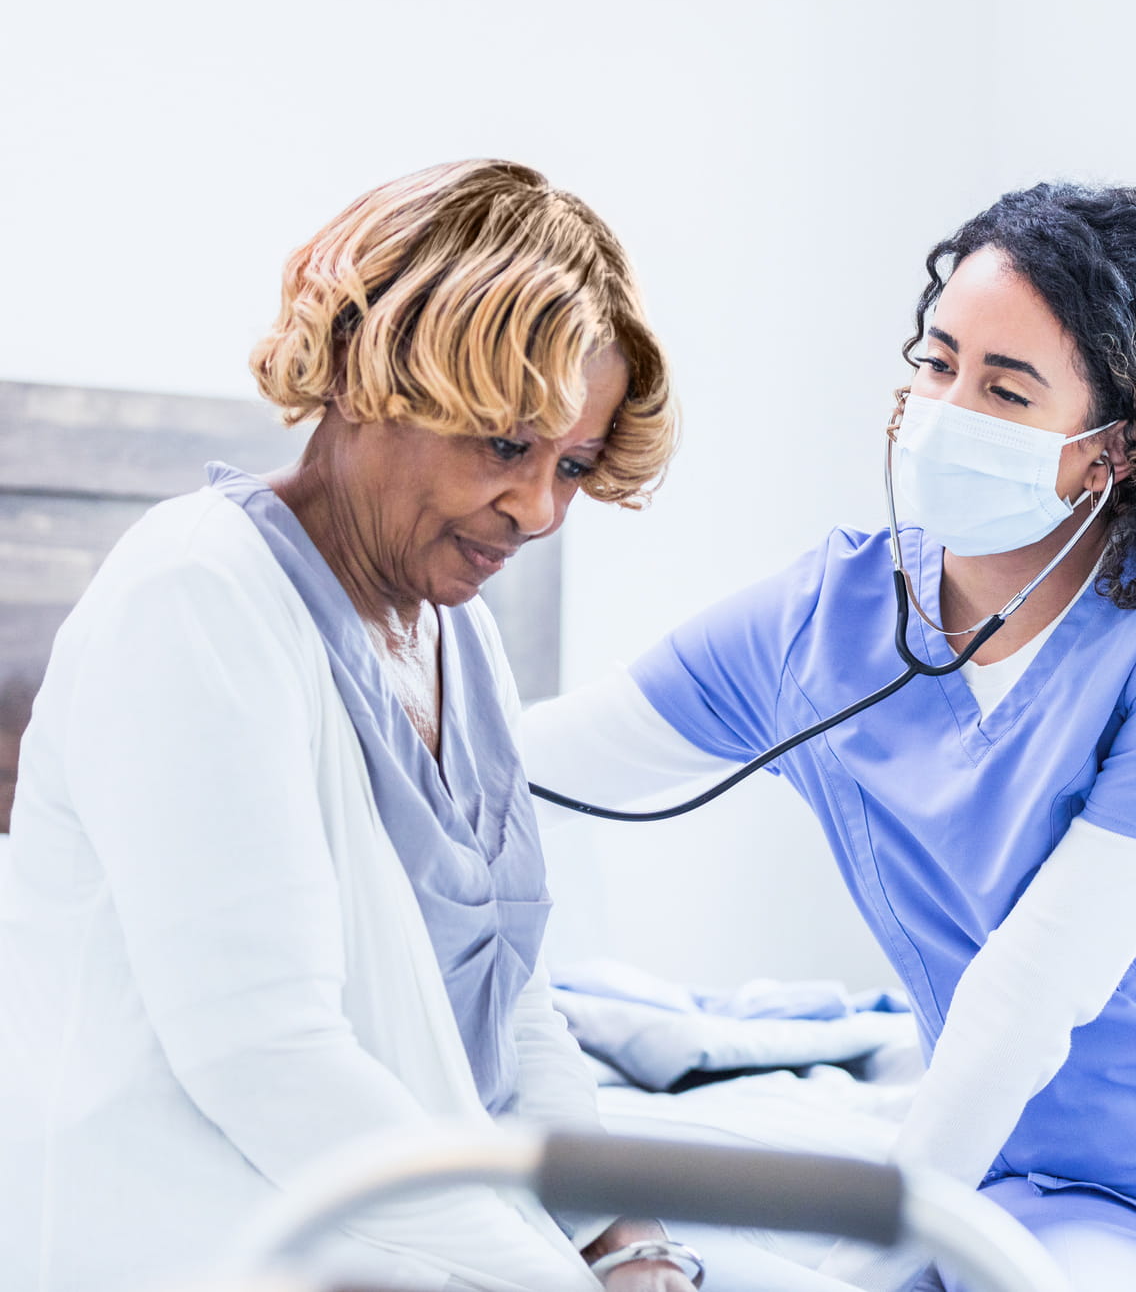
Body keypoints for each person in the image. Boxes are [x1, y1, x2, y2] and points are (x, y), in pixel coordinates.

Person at [521, 183, 1136, 1291]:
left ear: (1114, 448)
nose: (946, 410)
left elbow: (1028, 996)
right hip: (1057, 1184)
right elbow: (515, 764)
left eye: (1005, 388)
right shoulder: (816, 625)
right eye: (937, 364)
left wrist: (867, 1266)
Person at [0, 160, 700, 1291]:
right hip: (204, 1250)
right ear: (372, 377)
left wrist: (624, 1239)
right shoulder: (195, 596)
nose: (538, 511)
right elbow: (266, 1056)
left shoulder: (455, 626)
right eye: (505, 445)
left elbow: (512, 1003)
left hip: (410, 1235)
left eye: (572, 466)